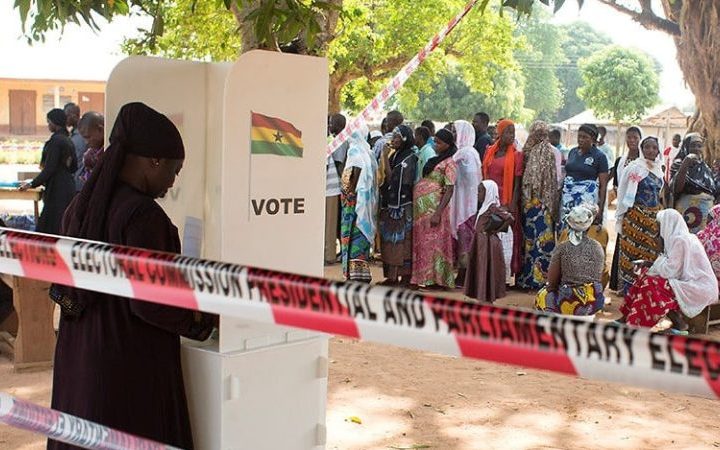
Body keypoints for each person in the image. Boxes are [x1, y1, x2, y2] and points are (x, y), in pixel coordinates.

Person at [48, 102, 215, 450]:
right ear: (153, 160)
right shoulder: (143, 217)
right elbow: (153, 305)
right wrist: (206, 319)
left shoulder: (81, 206)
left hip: (82, 352)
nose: (173, 180)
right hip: (126, 360)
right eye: (174, 168)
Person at [619, 209, 718, 333]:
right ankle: (626, 318)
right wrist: (648, 264)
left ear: (667, 225)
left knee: (652, 284)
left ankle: (637, 325)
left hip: (698, 288)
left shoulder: (680, 241)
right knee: (647, 277)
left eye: (659, 225)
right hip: (689, 283)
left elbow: (669, 272)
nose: (657, 228)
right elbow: (671, 267)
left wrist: (656, 253)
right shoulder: (678, 239)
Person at [535, 204, 606, 316]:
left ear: (569, 225)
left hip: (571, 300)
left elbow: (552, 283)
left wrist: (549, 286)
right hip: (594, 300)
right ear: (588, 226)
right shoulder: (598, 246)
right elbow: (599, 274)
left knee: (543, 295)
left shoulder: (563, 248)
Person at [615, 136, 664, 294]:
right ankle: (629, 290)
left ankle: (644, 289)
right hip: (635, 217)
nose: (651, 150)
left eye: (654, 148)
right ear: (642, 150)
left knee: (650, 254)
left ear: (658, 150)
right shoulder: (634, 167)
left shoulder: (659, 169)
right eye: (647, 147)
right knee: (631, 253)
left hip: (652, 220)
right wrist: (622, 214)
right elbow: (623, 191)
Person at [18, 109, 77, 235]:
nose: (48, 125)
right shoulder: (68, 140)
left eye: (49, 122)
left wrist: (31, 184)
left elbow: (49, 168)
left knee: (50, 226)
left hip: (57, 189)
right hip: (67, 186)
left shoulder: (55, 142)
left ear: (54, 123)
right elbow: (73, 167)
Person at [412, 129, 457, 289]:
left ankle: (437, 279)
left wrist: (438, 212)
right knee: (423, 244)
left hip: (436, 210)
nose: (435, 145)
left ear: (448, 144)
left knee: (436, 244)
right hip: (423, 212)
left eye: (439, 142)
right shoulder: (437, 159)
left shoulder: (450, 163)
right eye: (435, 141)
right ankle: (425, 278)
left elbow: (450, 189)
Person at [517, 121, 559, 291]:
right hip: (542, 205)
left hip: (536, 204)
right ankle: (532, 280)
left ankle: (535, 281)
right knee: (532, 242)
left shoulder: (541, 150)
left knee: (536, 242)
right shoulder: (541, 150)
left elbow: (530, 182)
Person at [482, 118, 523, 276]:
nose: (511, 135)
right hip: (490, 198)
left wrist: (512, 203)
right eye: (508, 132)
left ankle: (503, 274)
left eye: (513, 132)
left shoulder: (516, 155)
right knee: (488, 235)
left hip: (506, 199)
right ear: (500, 133)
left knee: (504, 238)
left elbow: (517, 183)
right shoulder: (489, 151)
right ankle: (488, 271)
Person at [379, 125, 418, 286]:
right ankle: (392, 276)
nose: (393, 140)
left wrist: (384, 157)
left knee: (403, 242)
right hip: (392, 205)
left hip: (403, 206)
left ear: (405, 139)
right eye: (393, 136)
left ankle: (405, 277)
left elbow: (393, 178)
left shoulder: (409, 158)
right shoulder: (396, 156)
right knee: (390, 242)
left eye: (396, 137)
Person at [464, 180, 513, 302]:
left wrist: (496, 230)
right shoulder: (484, 207)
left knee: (486, 268)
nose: (478, 194)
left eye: (480, 191)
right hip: (480, 242)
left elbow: (509, 218)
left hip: (487, 244)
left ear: (489, 192)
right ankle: (482, 297)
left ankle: (487, 299)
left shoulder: (492, 207)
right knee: (481, 268)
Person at [340, 126, 378, 282]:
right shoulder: (368, 153)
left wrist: (349, 193)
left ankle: (354, 274)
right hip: (363, 203)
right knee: (360, 235)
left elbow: (355, 173)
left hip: (353, 203)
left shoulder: (354, 152)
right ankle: (361, 273)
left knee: (353, 235)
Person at [609, 126, 643, 291]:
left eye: (635, 137)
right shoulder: (620, 161)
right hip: (625, 209)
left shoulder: (645, 162)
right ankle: (621, 283)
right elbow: (616, 184)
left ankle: (635, 285)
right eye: (629, 137)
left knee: (639, 244)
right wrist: (623, 200)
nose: (632, 141)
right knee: (623, 243)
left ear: (640, 139)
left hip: (640, 209)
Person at [451, 120, 481, 286]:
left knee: (465, 239)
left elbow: (470, 176)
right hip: (461, 199)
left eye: (455, 131)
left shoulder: (467, 153)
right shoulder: (464, 152)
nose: (454, 135)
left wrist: (454, 167)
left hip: (466, 203)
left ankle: (464, 276)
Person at [561, 123, 609, 226]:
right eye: (579, 136)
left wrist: (600, 209)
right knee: (566, 231)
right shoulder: (573, 152)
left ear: (593, 139)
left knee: (582, 229)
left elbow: (603, 185)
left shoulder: (600, 157)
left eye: (585, 137)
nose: (581, 139)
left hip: (586, 202)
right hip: (568, 199)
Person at [670, 133, 718, 233]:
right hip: (687, 211)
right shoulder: (679, 164)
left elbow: (713, 190)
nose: (696, 148)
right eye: (693, 145)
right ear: (685, 146)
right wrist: (686, 163)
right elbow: (676, 189)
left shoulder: (705, 168)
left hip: (705, 212)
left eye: (699, 146)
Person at [324, 114, 348, 265]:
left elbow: (337, 166)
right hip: (331, 188)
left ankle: (329, 256)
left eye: (331, 123)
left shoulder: (338, 141)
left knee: (329, 225)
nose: (329, 126)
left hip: (331, 189)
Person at [64, 103, 87, 192]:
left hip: (80, 184)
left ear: (73, 116)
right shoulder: (72, 135)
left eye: (66, 116)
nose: (65, 119)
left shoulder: (82, 135)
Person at [77, 112, 105, 185]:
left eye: (88, 137)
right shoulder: (90, 154)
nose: (86, 142)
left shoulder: (110, 151)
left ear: (100, 130)